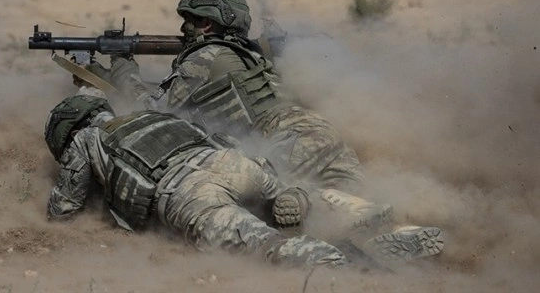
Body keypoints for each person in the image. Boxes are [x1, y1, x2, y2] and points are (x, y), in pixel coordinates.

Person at [45, 90, 444, 268]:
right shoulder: (152, 115)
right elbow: (216, 137)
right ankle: (372, 219)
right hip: (230, 162)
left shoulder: (87, 138)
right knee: (293, 199)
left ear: (68, 128)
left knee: (258, 241)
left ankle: (338, 265)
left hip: (185, 190)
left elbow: (65, 207)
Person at [105, 0, 365, 195]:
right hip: (320, 135)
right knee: (345, 211)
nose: (183, 28)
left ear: (207, 23)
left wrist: (122, 67)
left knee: (246, 199)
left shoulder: (206, 55)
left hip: (289, 141)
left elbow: (149, 111)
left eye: (189, 20)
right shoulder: (252, 54)